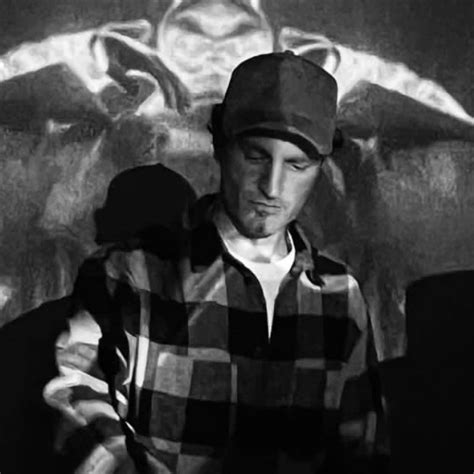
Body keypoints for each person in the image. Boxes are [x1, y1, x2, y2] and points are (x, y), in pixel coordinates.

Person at [43, 51, 387, 474]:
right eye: (256, 157)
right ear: (220, 146)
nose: (272, 186)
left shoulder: (341, 297)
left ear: (319, 168)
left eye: (297, 165)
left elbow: (364, 453)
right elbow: (74, 405)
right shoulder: (125, 275)